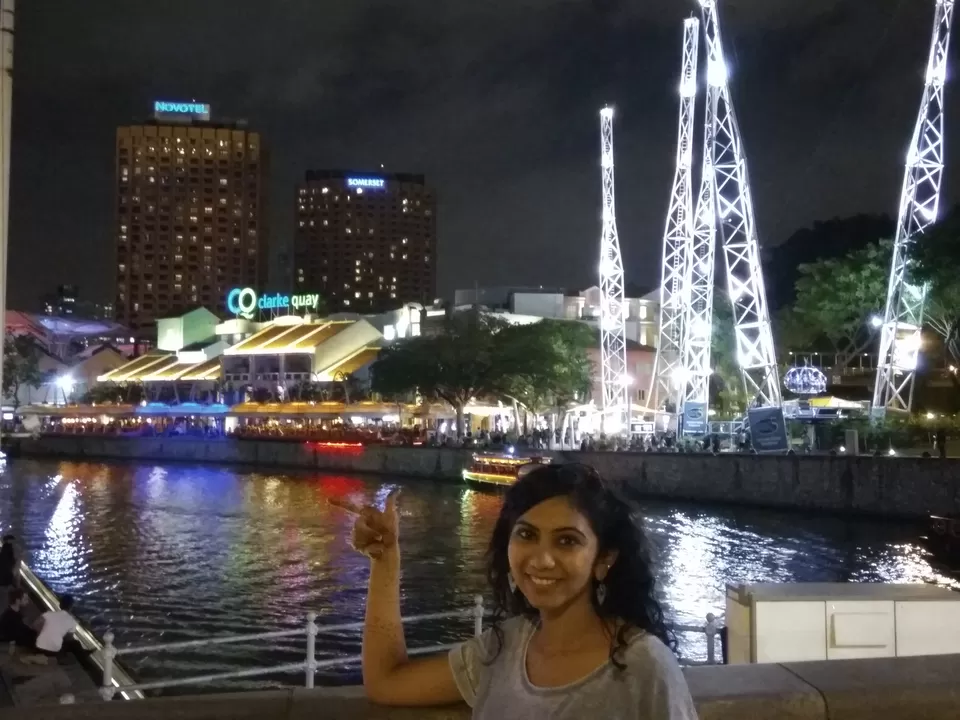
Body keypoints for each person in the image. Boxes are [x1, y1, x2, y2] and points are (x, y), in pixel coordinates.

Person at [334, 464, 698, 719]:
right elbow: (386, 683)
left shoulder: (643, 666)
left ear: (603, 560)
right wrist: (386, 562)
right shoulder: (501, 651)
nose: (541, 559)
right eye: (526, 534)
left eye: (567, 541)